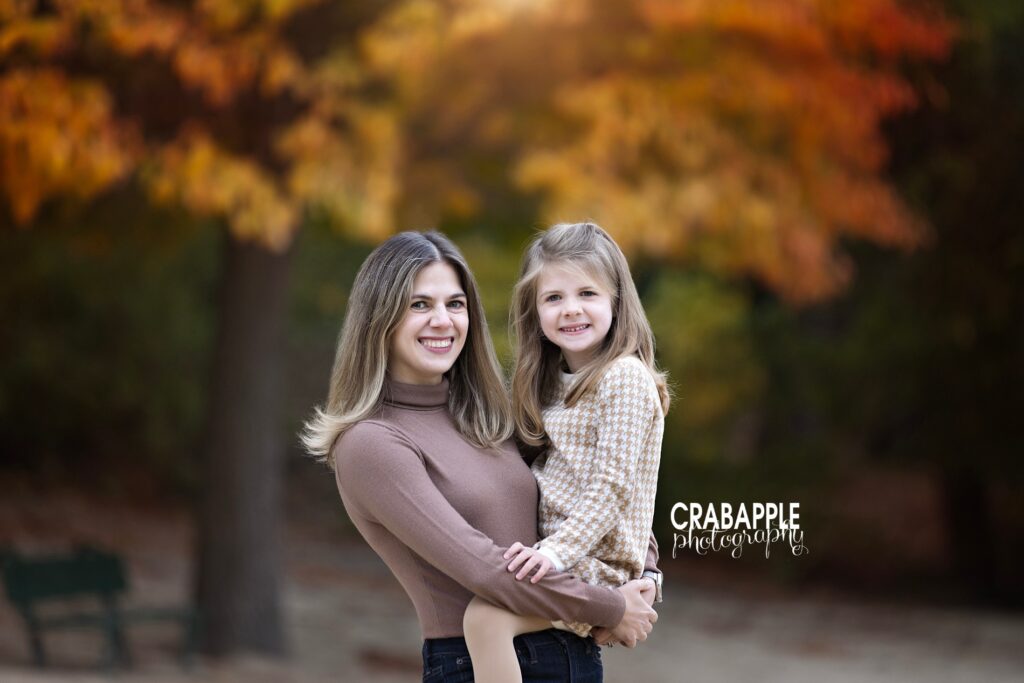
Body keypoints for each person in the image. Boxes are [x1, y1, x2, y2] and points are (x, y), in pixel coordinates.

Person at [301, 231, 659, 682]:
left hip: (569, 651)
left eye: (455, 304)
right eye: (419, 305)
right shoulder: (372, 444)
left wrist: (644, 576)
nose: (442, 321)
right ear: (380, 319)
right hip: (475, 661)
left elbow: (599, 486)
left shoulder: (488, 420)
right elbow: (485, 570)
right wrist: (610, 606)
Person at [462, 222, 669, 683]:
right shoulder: (552, 384)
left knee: (485, 619)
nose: (570, 309)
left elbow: (613, 488)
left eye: (587, 294)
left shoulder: (625, 379)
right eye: (553, 298)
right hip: (563, 558)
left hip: (592, 568)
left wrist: (554, 554)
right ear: (534, 311)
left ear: (616, 300)